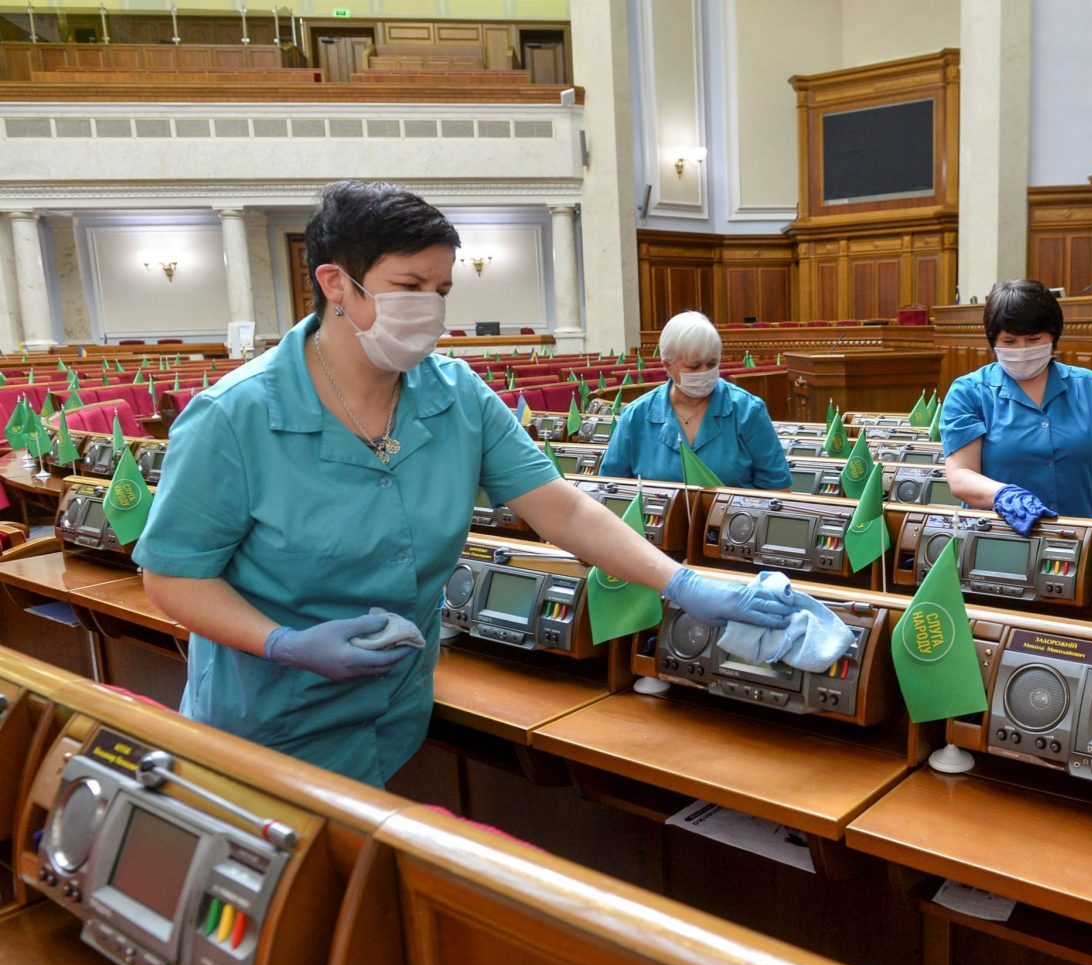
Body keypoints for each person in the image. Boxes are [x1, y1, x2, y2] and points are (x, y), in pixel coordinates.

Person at [134, 182, 796, 788]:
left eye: (442, 290)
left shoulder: (456, 395)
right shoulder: (235, 415)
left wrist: (678, 582)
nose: (430, 308)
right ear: (337, 283)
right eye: (409, 285)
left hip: (390, 717)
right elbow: (173, 576)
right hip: (263, 727)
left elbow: (562, 510)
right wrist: (284, 642)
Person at [942, 280, 1092, 532]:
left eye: (1033, 339)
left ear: (1053, 338)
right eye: (1009, 342)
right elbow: (960, 475)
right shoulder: (969, 391)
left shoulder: (1090, 386)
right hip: (1000, 538)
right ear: (993, 341)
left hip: (1081, 536)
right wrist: (1003, 495)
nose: (1022, 350)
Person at [599, 311, 791, 489]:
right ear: (668, 365)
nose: (705, 372)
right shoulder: (636, 416)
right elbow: (610, 489)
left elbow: (778, 490)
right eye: (694, 366)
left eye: (712, 363)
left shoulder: (748, 410)